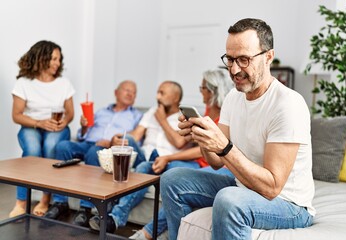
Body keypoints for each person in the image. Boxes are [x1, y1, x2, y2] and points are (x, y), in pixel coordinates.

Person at [161, 18, 315, 240]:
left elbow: (272, 187)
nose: (234, 69)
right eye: (230, 59)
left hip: (289, 204)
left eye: (244, 59)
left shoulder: (288, 104)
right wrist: (202, 137)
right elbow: (215, 162)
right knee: (172, 179)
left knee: (229, 199)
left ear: (268, 57)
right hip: (243, 186)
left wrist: (223, 146)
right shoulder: (234, 97)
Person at [128, 69, 234, 240]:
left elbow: (211, 151)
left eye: (202, 88)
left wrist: (169, 156)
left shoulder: (226, 115)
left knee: (173, 174)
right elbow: (200, 144)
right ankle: (116, 216)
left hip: (207, 164)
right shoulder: (207, 110)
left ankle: (148, 232)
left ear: (213, 90)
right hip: (203, 161)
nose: (200, 91)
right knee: (150, 167)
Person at [87, 80, 193, 234]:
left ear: (176, 98)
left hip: (167, 160)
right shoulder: (151, 112)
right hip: (145, 156)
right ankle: (107, 202)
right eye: (158, 92)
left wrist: (162, 120)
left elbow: (179, 142)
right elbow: (135, 136)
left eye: (162, 93)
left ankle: (114, 218)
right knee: (129, 143)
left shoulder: (185, 117)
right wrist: (117, 139)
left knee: (143, 168)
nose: (157, 96)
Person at [43, 80, 143, 227]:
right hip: (87, 143)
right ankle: (59, 202)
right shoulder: (102, 111)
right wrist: (83, 127)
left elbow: (134, 140)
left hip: (108, 148)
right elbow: (83, 134)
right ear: (116, 92)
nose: (130, 94)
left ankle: (86, 208)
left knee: (94, 152)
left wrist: (110, 142)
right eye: (127, 90)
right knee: (63, 146)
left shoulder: (136, 116)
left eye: (134, 92)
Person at [10, 40, 75, 218]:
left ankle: (45, 199)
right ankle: (21, 202)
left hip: (57, 127)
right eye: (53, 58)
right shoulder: (23, 83)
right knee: (32, 149)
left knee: (51, 148)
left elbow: (70, 113)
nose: (57, 63)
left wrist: (64, 121)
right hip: (32, 125)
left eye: (59, 59)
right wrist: (39, 123)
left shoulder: (63, 84)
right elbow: (17, 115)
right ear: (41, 57)